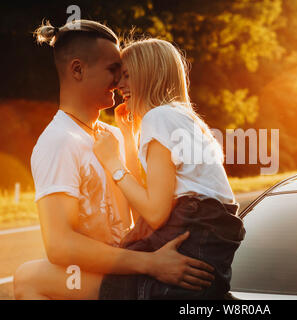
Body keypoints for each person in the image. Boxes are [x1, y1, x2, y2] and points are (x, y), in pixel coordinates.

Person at [14, 19, 215, 300]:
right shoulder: (58, 141)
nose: (120, 81)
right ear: (77, 69)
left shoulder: (113, 135)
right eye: (113, 70)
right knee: (26, 278)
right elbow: (59, 246)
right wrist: (151, 264)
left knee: (29, 277)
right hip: (118, 269)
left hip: (127, 265)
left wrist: (129, 139)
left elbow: (142, 211)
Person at [92, 38, 245, 300]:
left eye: (127, 76)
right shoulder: (182, 117)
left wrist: (111, 162)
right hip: (207, 234)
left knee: (111, 282)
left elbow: (154, 212)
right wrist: (129, 136)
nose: (119, 85)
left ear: (150, 75)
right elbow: (147, 198)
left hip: (195, 228)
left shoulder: (159, 117)